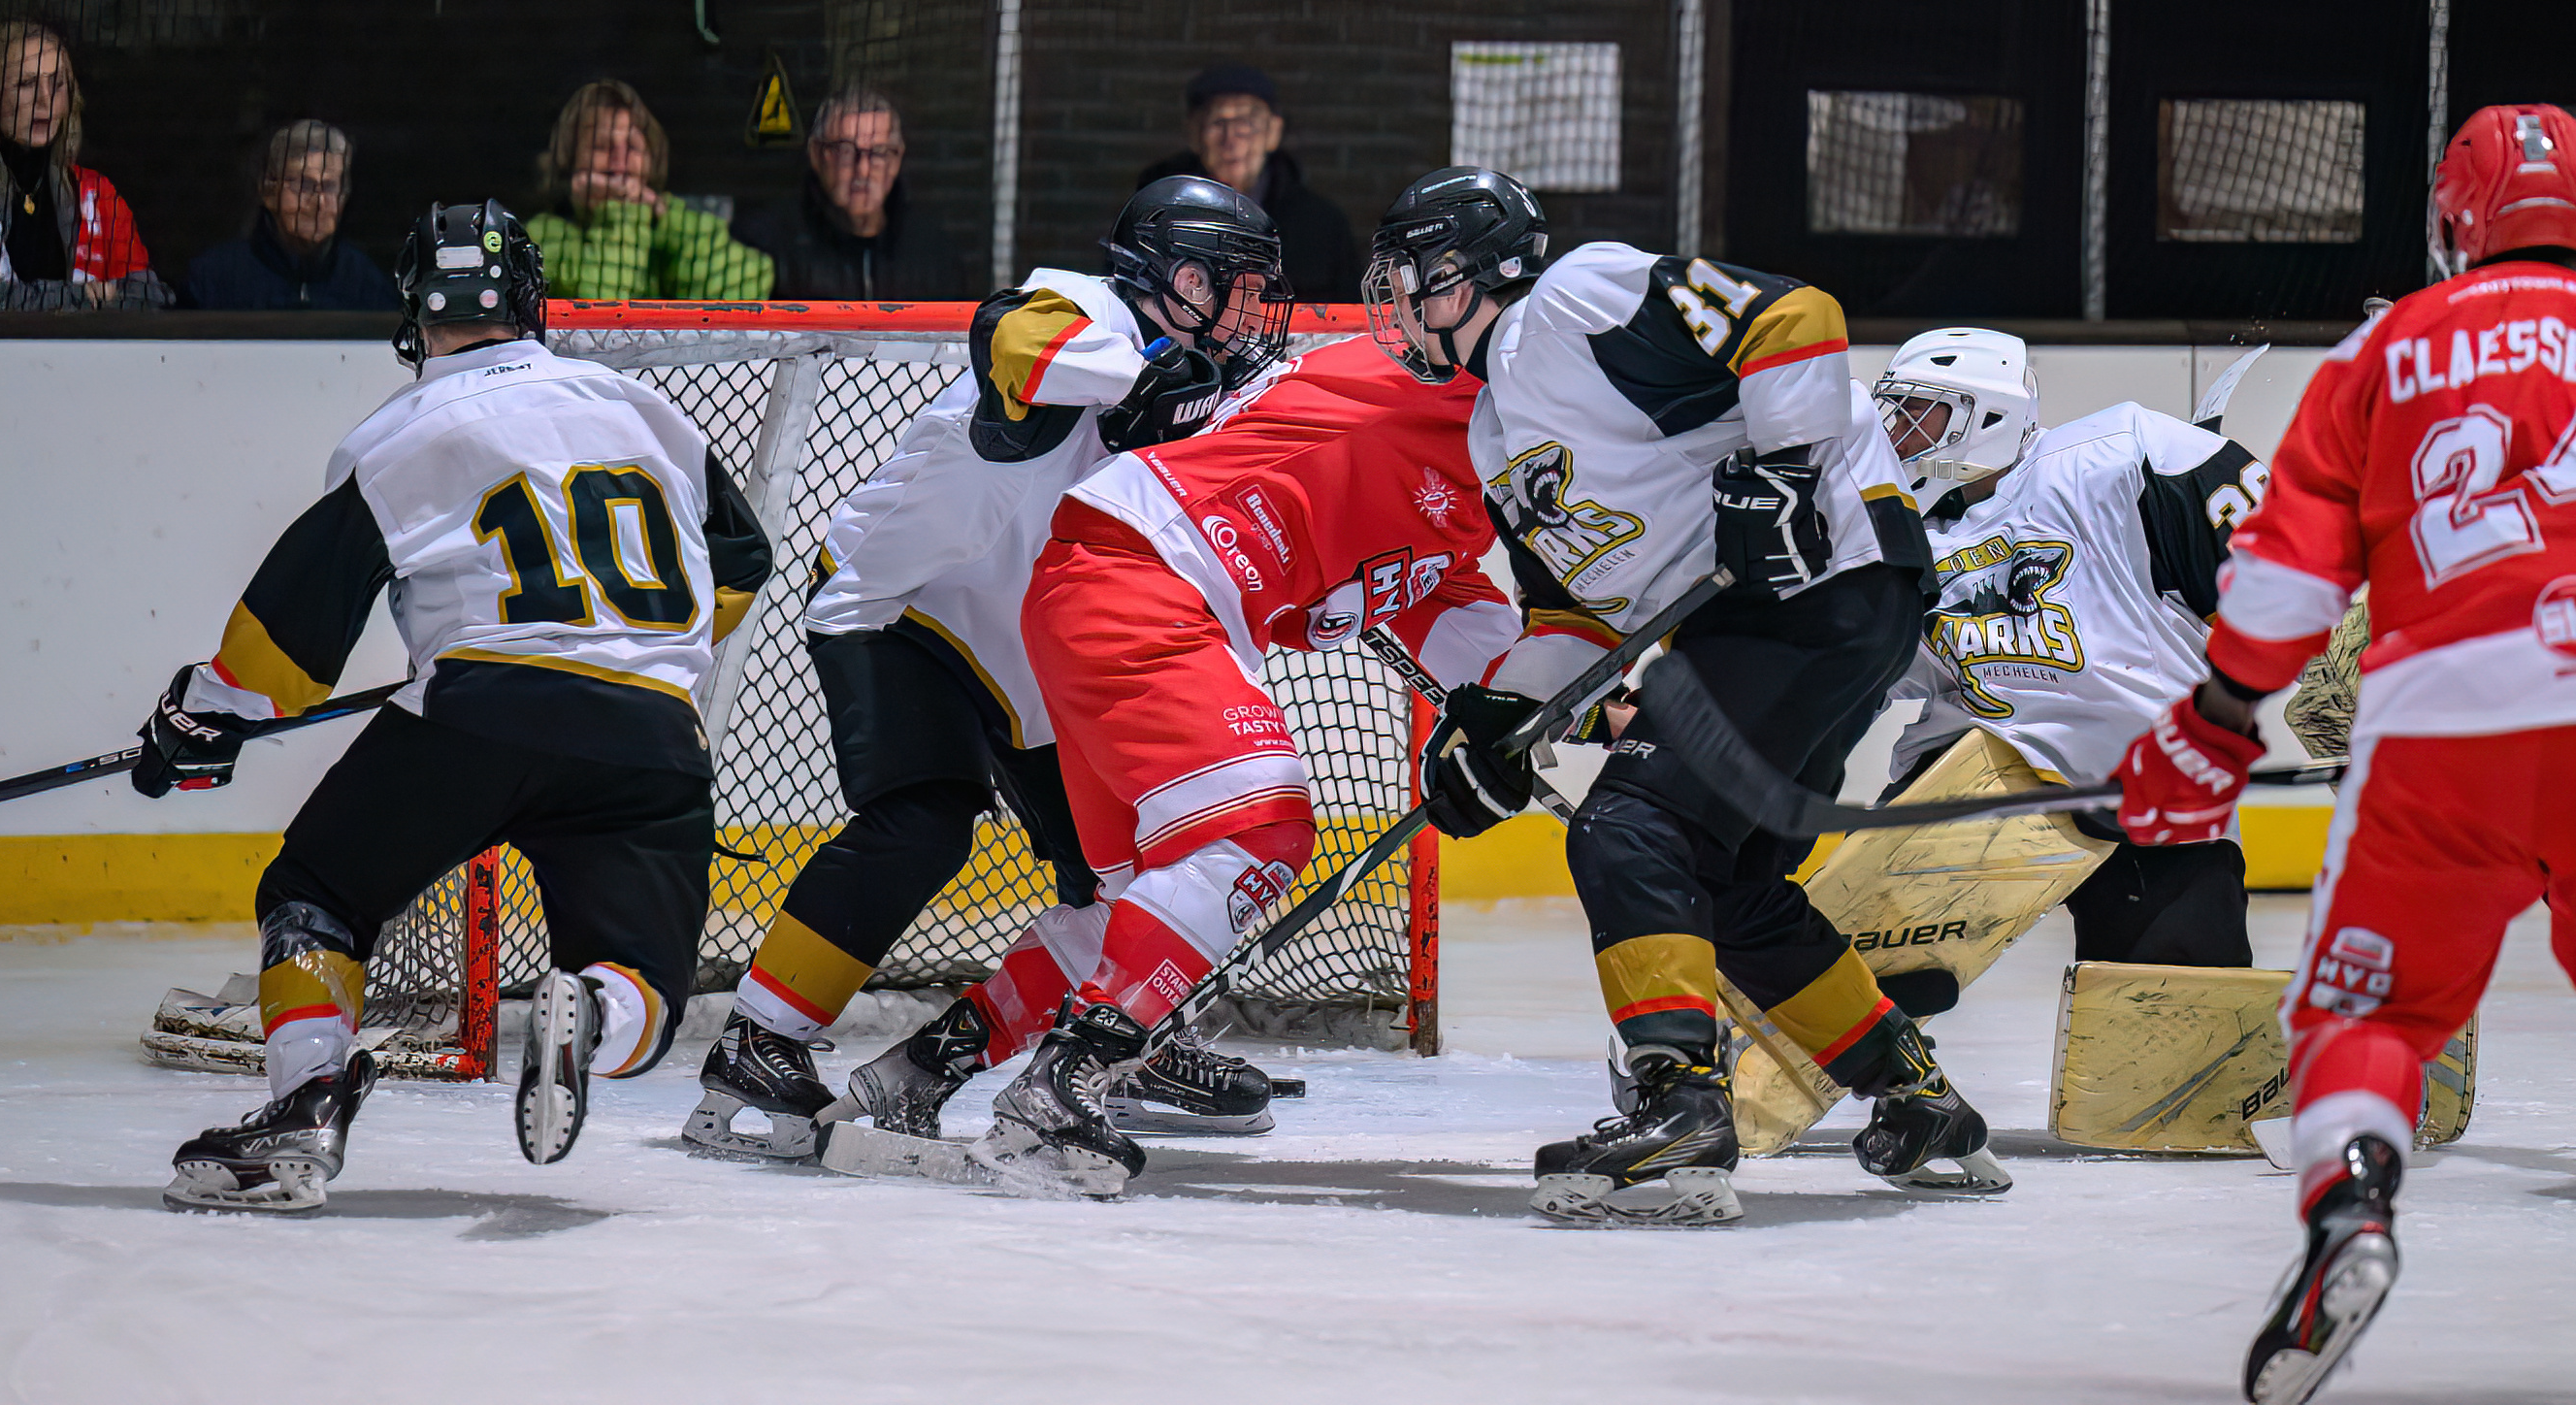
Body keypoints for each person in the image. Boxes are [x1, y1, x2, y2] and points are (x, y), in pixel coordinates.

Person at [2115, 105, 2576, 1404]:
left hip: (2451, 713)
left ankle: (2352, 1211)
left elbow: (2287, 581)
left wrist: (2215, 721)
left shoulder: (2386, 346)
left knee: (2373, 1009)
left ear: (2452, 221)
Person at [1361, 166, 1995, 1226]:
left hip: (1818, 583)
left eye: (1410, 275)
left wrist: (1788, 470)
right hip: (1789, 617)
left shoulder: (1575, 299)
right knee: (1731, 883)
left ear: (1467, 271)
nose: (1397, 301)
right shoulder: (1492, 436)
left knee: (1630, 827)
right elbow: (1577, 619)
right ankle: (1917, 1096)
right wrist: (1496, 717)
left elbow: (1794, 315)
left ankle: (1680, 1105)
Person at [136, 200, 774, 1213]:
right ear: (529, 300)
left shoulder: (394, 435)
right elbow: (742, 561)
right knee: (649, 984)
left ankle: (305, 1104)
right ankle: (591, 1011)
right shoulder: (642, 407)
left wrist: (199, 715)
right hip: (653, 731)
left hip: (477, 716)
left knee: (316, 896)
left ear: (412, 319)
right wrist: (631, 653)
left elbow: (286, 650)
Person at [685, 178, 1295, 1160]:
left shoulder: (1206, 377)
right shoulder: (1087, 310)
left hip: (1034, 646)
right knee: (923, 822)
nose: (1248, 311)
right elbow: (1013, 337)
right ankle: (759, 1039)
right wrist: (1147, 380)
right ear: (1179, 277)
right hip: (900, 604)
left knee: (1129, 876)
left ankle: (1106, 1049)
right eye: (1235, 286)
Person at [946, 330, 1518, 1194]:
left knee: (1135, 907)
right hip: (1147, 580)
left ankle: (929, 1062)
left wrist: (1596, 707)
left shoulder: (1458, 521)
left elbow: (1484, 645)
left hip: (1101, 586)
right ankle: (1065, 1085)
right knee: (1262, 830)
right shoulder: (1424, 385)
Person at [1872, 326, 2270, 996]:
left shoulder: (2120, 455)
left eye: (1919, 411)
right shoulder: (1899, 534)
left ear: (1988, 414)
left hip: (2143, 786)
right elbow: (1847, 672)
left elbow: (2274, 579)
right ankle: (1910, 1092)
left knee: (2177, 1014)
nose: (1897, 432)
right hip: (1976, 786)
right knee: (1873, 971)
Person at [0, 18, 168, 310]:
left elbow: (151, 299)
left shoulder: (97, 194)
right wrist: (86, 298)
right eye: (26, 83)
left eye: (57, 84)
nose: (45, 100)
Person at [526, 79, 774, 301]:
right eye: (601, 146)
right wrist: (621, 214)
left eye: (632, 147)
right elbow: (604, 322)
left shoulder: (679, 225)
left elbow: (740, 294)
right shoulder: (542, 236)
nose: (619, 159)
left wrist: (666, 219)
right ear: (570, 160)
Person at [1137, 64, 1357, 304]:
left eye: (1246, 123)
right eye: (1218, 123)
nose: (1231, 139)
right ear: (1194, 133)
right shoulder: (1156, 214)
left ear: (1273, 132)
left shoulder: (1321, 223)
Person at [732, 86, 966, 299]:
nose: (862, 170)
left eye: (878, 152)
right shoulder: (766, 246)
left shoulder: (933, 253)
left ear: (896, 160)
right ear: (816, 154)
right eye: (844, 151)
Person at [179, 121, 390, 310]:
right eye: (304, 185)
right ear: (268, 192)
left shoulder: (366, 282)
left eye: (329, 187)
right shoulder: (214, 278)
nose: (319, 202)